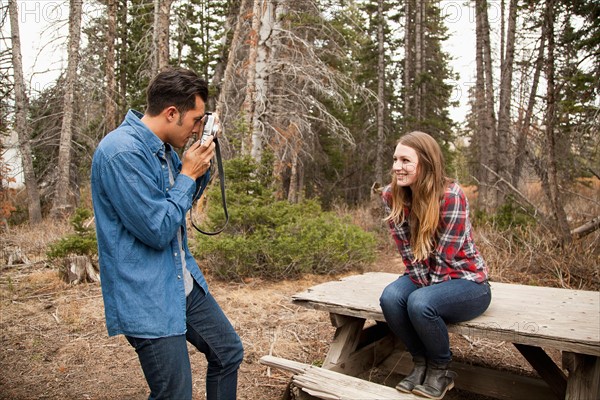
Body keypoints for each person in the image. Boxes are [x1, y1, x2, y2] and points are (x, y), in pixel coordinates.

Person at [91, 68, 244, 400]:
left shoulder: (164, 149)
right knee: (174, 393)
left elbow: (180, 201)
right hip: (147, 296)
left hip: (180, 283)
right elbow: (158, 228)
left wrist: (200, 162)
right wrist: (187, 174)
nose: (195, 129)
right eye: (195, 120)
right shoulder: (121, 153)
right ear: (171, 113)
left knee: (227, 353)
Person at [379, 131, 491, 400]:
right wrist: (418, 286)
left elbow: (445, 258)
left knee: (420, 303)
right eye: (395, 159)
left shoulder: (451, 196)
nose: (397, 167)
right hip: (422, 272)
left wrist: (423, 296)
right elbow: (406, 249)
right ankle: (420, 363)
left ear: (426, 163)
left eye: (405, 160)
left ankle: (441, 369)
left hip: (466, 280)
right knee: (391, 298)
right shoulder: (391, 195)